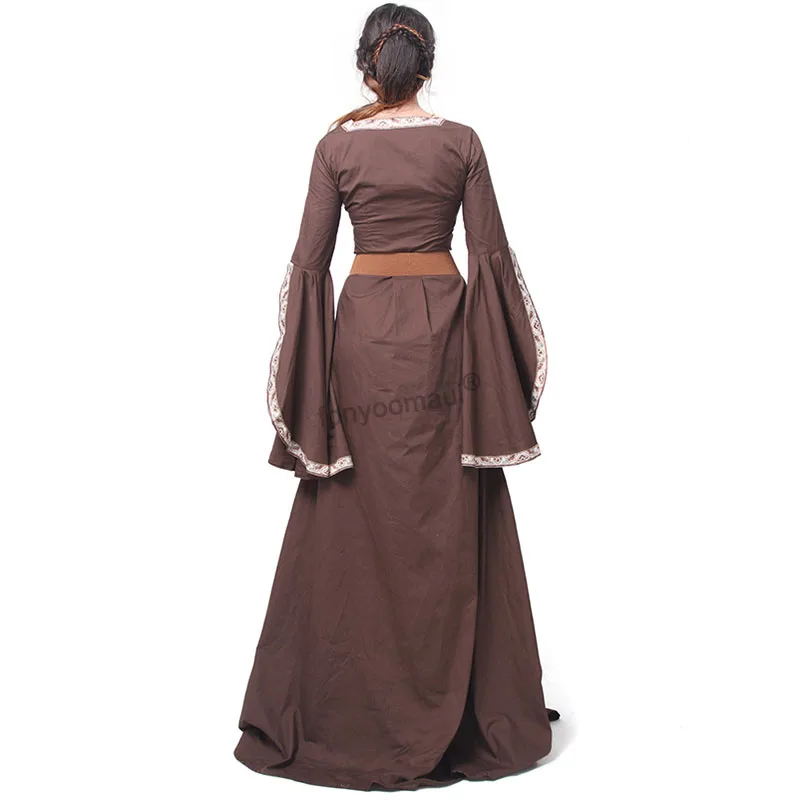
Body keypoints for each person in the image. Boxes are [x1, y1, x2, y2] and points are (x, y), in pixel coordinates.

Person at [234, 3, 558, 790]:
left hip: (362, 344)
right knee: (449, 506)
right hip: (446, 343)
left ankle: (351, 702)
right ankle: (466, 703)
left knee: (353, 508)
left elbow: (310, 264)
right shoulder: (461, 143)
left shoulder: (336, 147)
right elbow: (489, 257)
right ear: (428, 66)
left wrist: (306, 374)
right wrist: (505, 370)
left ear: (366, 67)